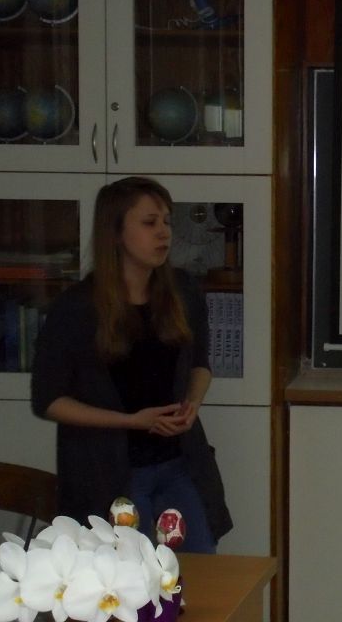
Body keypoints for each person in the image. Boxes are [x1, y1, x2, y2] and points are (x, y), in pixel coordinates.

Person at [31, 176, 232, 553]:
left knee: (199, 568)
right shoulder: (76, 308)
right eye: (149, 222)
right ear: (116, 232)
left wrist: (192, 403)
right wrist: (132, 421)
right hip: (111, 473)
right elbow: (49, 401)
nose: (164, 233)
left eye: (167, 221)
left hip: (179, 463)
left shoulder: (183, 291)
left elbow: (200, 364)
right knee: (131, 575)